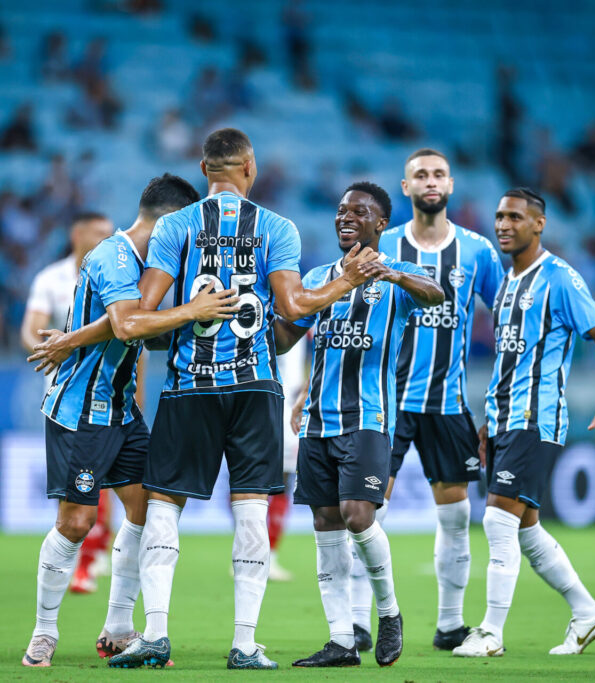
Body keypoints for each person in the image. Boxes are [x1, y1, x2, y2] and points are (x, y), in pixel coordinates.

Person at [105, 128, 379, 671]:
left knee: (164, 507)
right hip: (255, 387)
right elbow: (296, 306)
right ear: (249, 169)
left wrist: (191, 312)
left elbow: (139, 315)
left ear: (204, 171)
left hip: (189, 385)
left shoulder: (175, 226)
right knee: (252, 509)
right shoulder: (277, 227)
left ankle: (156, 635)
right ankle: (245, 644)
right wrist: (345, 281)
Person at [21, 174, 238, 668]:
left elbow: (138, 324)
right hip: (81, 411)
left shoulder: (151, 265)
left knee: (145, 510)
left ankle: (118, 627)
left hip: (121, 410)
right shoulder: (112, 255)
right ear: (170, 220)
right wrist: (193, 309)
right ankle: (44, 632)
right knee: (76, 524)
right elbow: (127, 323)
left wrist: (75, 337)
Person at [277, 182, 443, 668]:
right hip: (316, 420)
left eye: (359, 212)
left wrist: (390, 274)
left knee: (357, 514)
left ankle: (388, 613)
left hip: (368, 417)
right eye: (341, 210)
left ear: (380, 224)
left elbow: (434, 295)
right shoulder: (319, 275)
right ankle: (342, 639)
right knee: (325, 522)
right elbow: (296, 336)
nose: (345, 217)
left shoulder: (401, 273)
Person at [347, 148, 503, 653]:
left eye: (438, 174)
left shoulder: (478, 251)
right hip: (384, 402)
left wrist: (498, 402)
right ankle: (355, 621)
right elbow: (345, 311)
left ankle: (450, 624)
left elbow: (507, 324)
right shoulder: (383, 245)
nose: (430, 181)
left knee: (456, 518)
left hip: (448, 404)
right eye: (420, 175)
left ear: (451, 185)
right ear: (406, 186)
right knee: (367, 511)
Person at [454, 188, 595, 658]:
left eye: (514, 217)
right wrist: (490, 420)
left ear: (539, 224)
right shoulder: (507, 283)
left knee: (497, 521)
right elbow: (512, 358)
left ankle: (489, 632)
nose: (503, 225)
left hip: (536, 416)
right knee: (526, 531)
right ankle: (587, 613)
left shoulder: (560, 278)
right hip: (507, 419)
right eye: (499, 216)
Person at [21, 212, 115, 595]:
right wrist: (48, 349)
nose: (106, 240)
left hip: (108, 396)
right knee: (75, 491)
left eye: (110, 234)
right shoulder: (51, 279)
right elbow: (31, 328)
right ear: (77, 234)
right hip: (63, 398)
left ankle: (89, 559)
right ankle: (82, 557)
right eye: (98, 233)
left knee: (99, 485)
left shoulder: (116, 274)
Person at [267, 341, 309, 582]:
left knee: (281, 482)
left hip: (288, 408)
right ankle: (253, 552)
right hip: (269, 404)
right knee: (253, 484)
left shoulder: (306, 321)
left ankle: (268, 555)